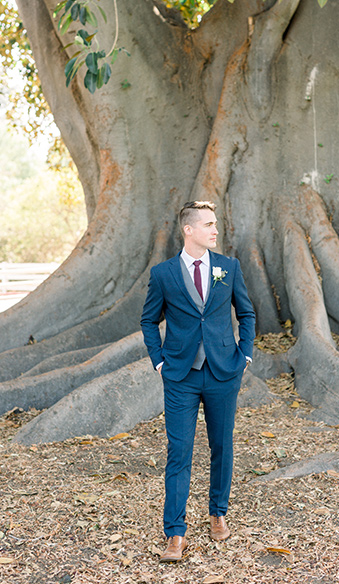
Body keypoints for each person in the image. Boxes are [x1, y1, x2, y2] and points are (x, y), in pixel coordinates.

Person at [141, 200, 256, 563]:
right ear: (188, 230)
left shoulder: (229, 267)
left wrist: (246, 353)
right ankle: (175, 533)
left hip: (224, 372)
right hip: (180, 376)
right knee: (180, 453)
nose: (215, 230)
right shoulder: (163, 274)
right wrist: (159, 361)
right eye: (208, 224)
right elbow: (148, 320)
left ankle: (217, 513)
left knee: (222, 446)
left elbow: (247, 312)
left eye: (216, 224)